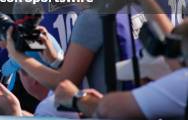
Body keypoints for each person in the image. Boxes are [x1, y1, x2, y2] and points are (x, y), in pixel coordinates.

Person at [54, 18, 188, 119]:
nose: (141, 86)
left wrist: (78, 98)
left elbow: (108, 109)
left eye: (147, 81)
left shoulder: (182, 82)